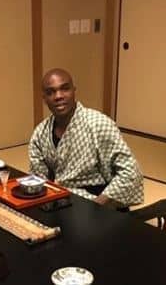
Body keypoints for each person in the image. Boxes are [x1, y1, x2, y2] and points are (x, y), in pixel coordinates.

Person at [29, 68, 144, 209]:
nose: (58, 96)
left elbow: (130, 172)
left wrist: (96, 207)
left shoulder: (98, 124)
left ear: (74, 91)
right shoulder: (40, 133)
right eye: (50, 92)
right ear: (44, 98)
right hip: (60, 202)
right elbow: (39, 179)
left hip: (98, 203)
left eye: (64, 89)